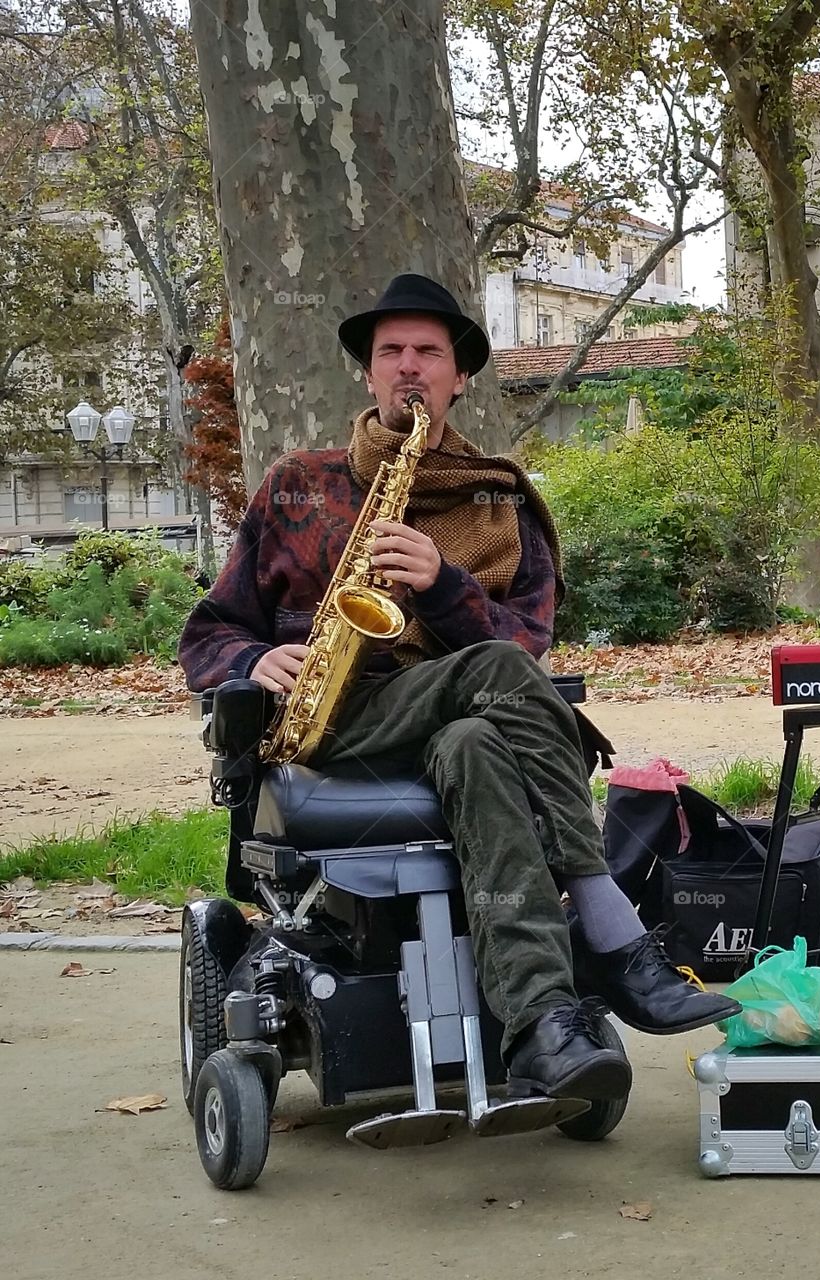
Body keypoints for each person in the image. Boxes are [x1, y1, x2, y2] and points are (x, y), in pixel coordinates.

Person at [178, 273, 739, 1106]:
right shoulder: (297, 484)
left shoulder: (499, 499)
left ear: (460, 375)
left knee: (479, 735)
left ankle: (542, 1025)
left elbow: (528, 647)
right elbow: (208, 632)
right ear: (368, 374)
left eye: (428, 353)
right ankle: (610, 928)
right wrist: (250, 663)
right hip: (330, 722)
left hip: (465, 721)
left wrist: (444, 585)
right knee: (493, 675)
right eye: (392, 352)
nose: (410, 367)